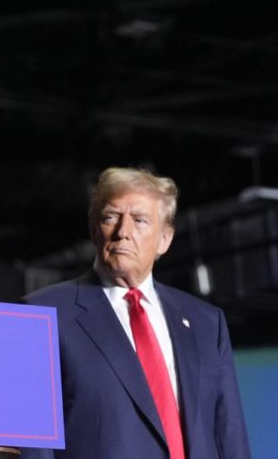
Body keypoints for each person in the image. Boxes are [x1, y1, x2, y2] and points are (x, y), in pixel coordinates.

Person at [21, 167, 251, 459]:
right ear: (94, 230)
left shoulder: (207, 322)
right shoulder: (43, 314)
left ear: (164, 239)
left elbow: (230, 436)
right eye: (110, 217)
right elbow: (34, 447)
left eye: (139, 220)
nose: (123, 232)